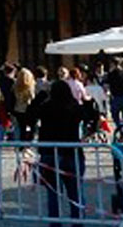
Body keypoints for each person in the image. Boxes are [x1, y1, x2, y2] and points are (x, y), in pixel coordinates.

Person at [29, 80, 98, 227]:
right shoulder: (73, 107)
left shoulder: (46, 107)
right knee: (76, 193)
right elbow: (92, 116)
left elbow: (30, 114)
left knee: (53, 195)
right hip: (71, 152)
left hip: (50, 153)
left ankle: (55, 224)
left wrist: (40, 95)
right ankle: (78, 222)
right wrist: (89, 101)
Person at [13, 68, 37, 142]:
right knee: (32, 127)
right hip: (28, 109)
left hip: (18, 109)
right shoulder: (30, 86)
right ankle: (30, 141)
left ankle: (20, 145)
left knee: (21, 128)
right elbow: (32, 98)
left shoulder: (15, 86)